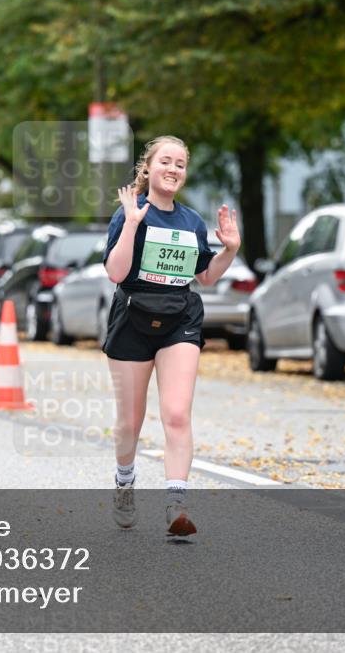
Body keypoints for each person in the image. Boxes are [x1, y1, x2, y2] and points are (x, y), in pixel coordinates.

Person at [102, 135, 241, 538]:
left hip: (180, 317)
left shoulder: (191, 221)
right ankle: (125, 481)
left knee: (177, 414)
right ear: (148, 168)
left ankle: (176, 504)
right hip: (133, 317)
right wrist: (131, 224)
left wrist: (230, 250)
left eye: (180, 164)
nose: (173, 169)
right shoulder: (129, 213)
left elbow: (206, 277)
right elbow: (115, 272)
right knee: (130, 421)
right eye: (166, 161)